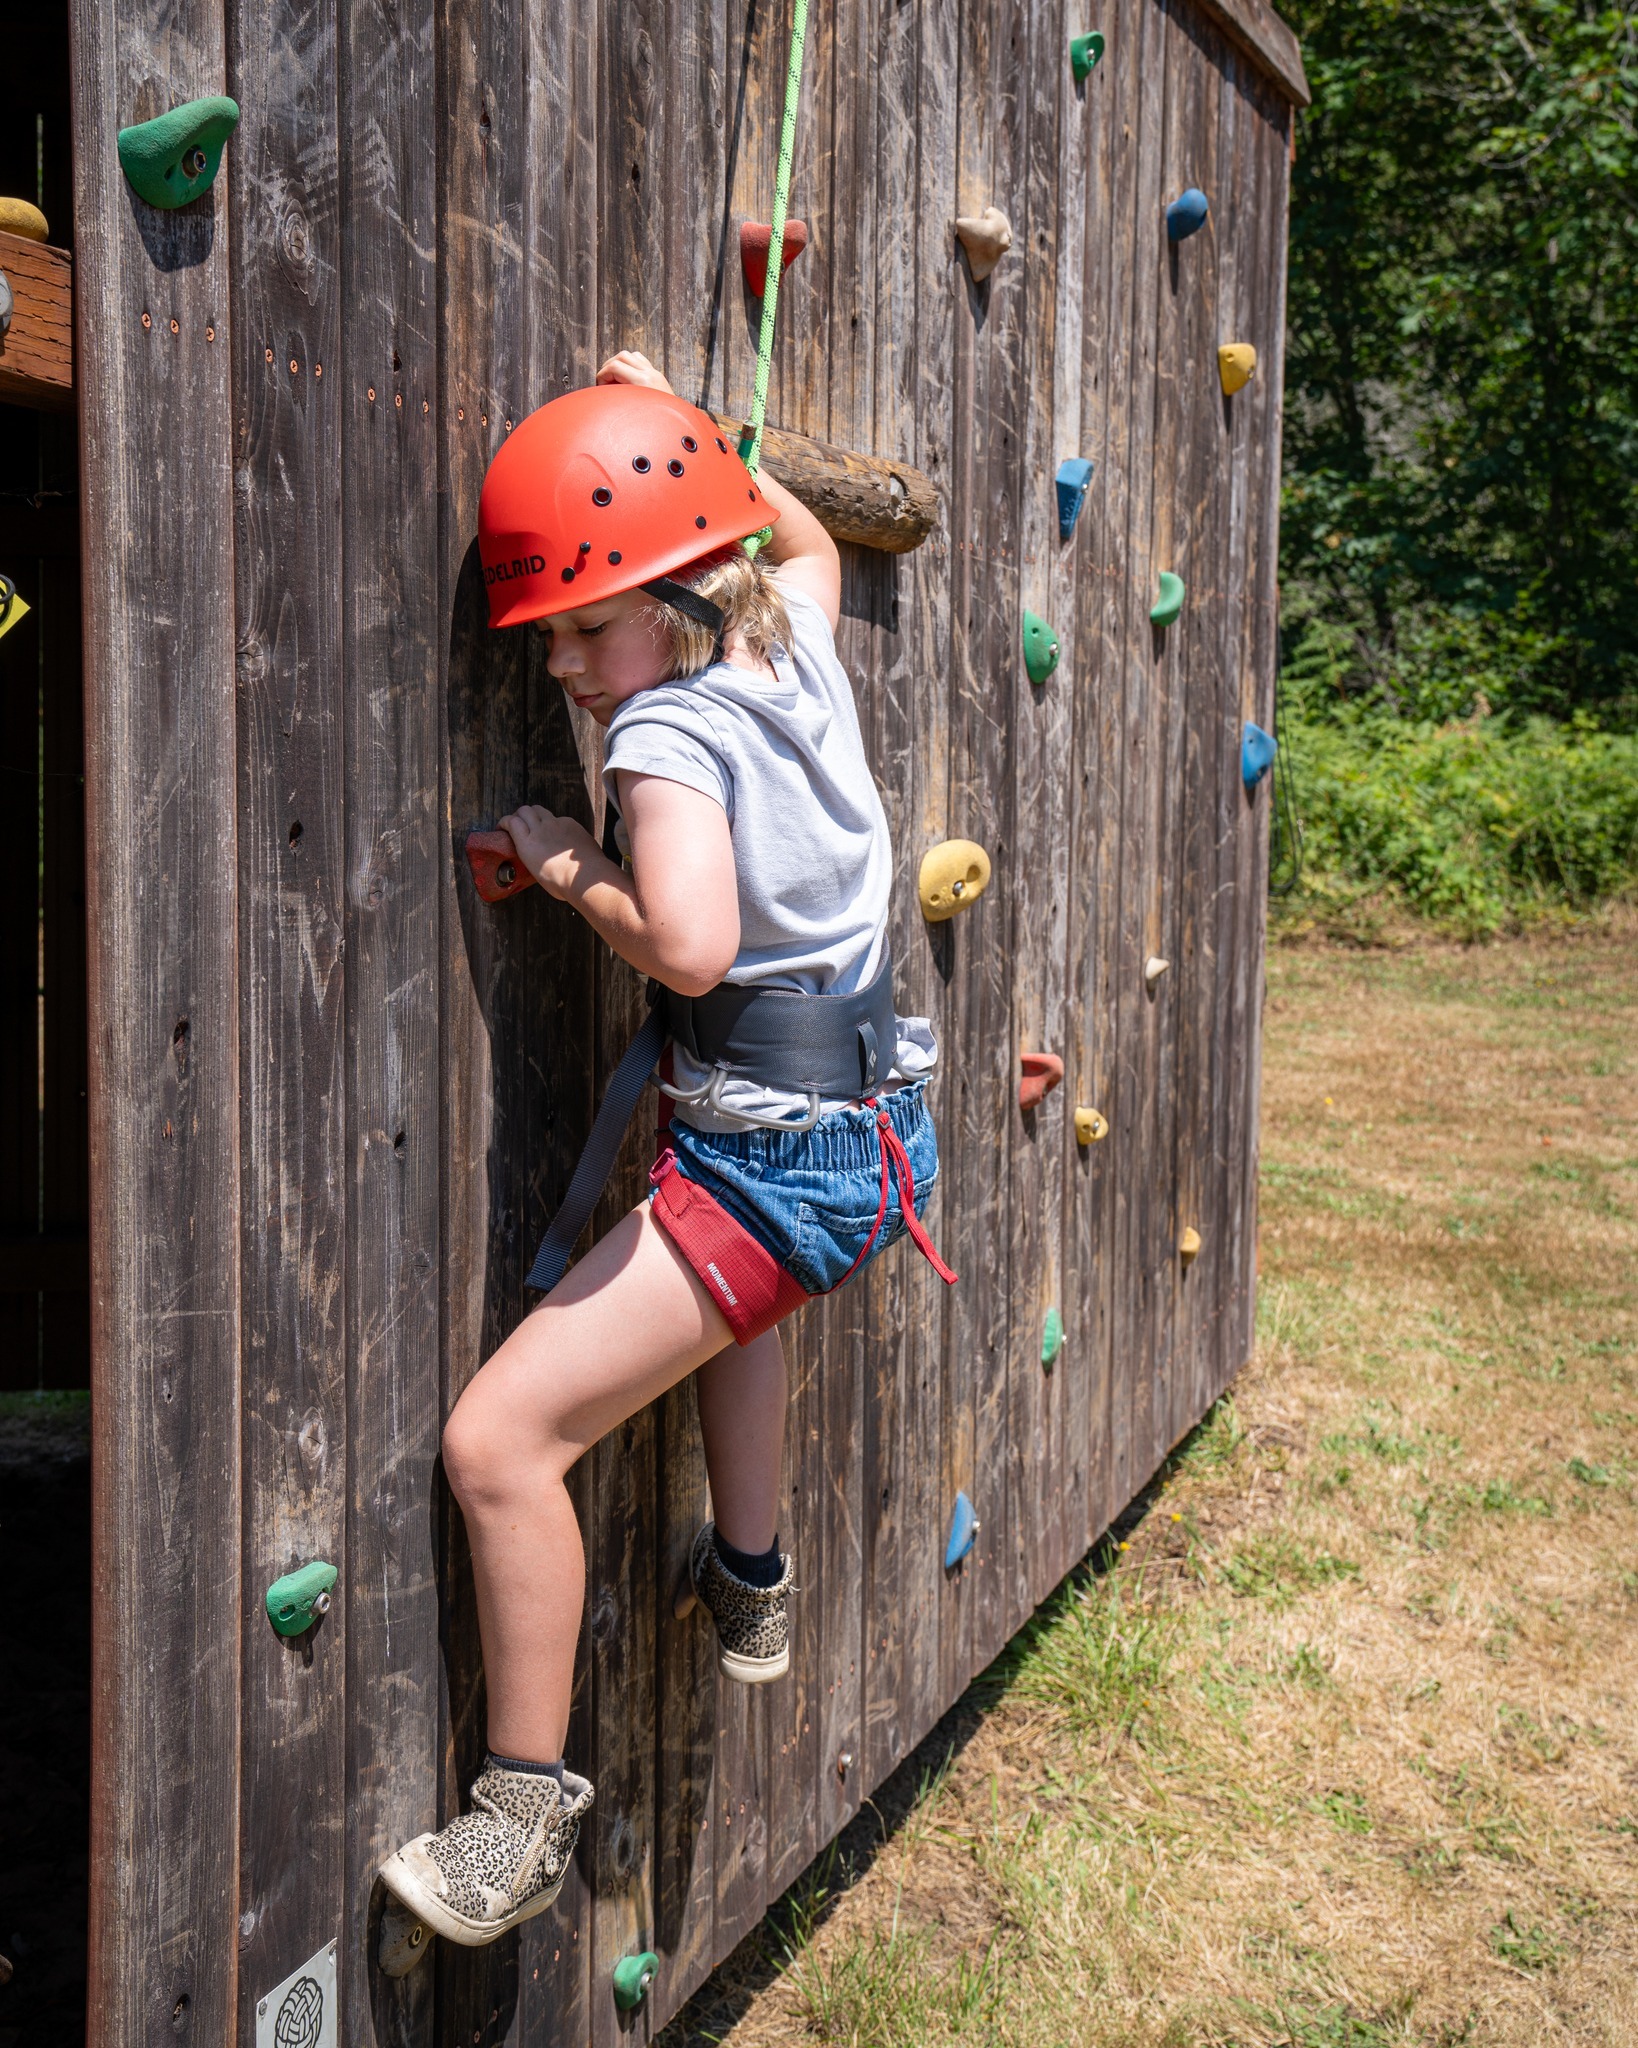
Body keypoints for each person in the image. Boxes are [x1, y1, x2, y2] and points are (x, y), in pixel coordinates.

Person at [378, 350, 954, 1948]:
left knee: (499, 1448)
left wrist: (568, 862)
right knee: (729, 1301)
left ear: (682, 594)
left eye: (582, 622)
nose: (563, 664)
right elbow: (814, 545)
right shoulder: (794, 656)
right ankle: (751, 1578)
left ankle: (517, 1814)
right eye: (552, 632)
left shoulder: (665, 739)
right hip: (860, 1133)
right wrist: (691, 432)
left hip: (774, 1158)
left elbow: (689, 949)